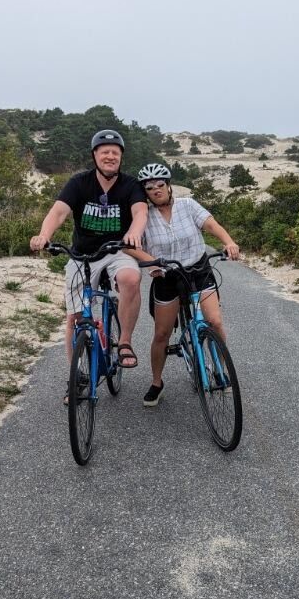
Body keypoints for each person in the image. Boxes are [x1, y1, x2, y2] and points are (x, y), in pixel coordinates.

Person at [30, 130, 148, 402]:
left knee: (130, 278)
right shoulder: (79, 183)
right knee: (75, 317)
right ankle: (77, 378)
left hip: (116, 250)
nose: (110, 156)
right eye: (104, 152)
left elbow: (140, 212)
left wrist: (134, 232)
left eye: (115, 153)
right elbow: (59, 211)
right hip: (83, 254)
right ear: (95, 155)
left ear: (121, 158)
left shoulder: (130, 185)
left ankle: (126, 342)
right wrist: (44, 235)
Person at [130, 163, 239, 407]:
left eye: (160, 185)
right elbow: (131, 245)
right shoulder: (143, 216)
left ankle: (220, 369)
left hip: (198, 270)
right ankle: (157, 382)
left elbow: (211, 224)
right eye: (150, 187)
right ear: (145, 192)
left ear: (169, 186)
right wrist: (151, 263)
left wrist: (229, 242)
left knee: (215, 322)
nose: (156, 190)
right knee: (161, 334)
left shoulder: (188, 205)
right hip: (166, 276)